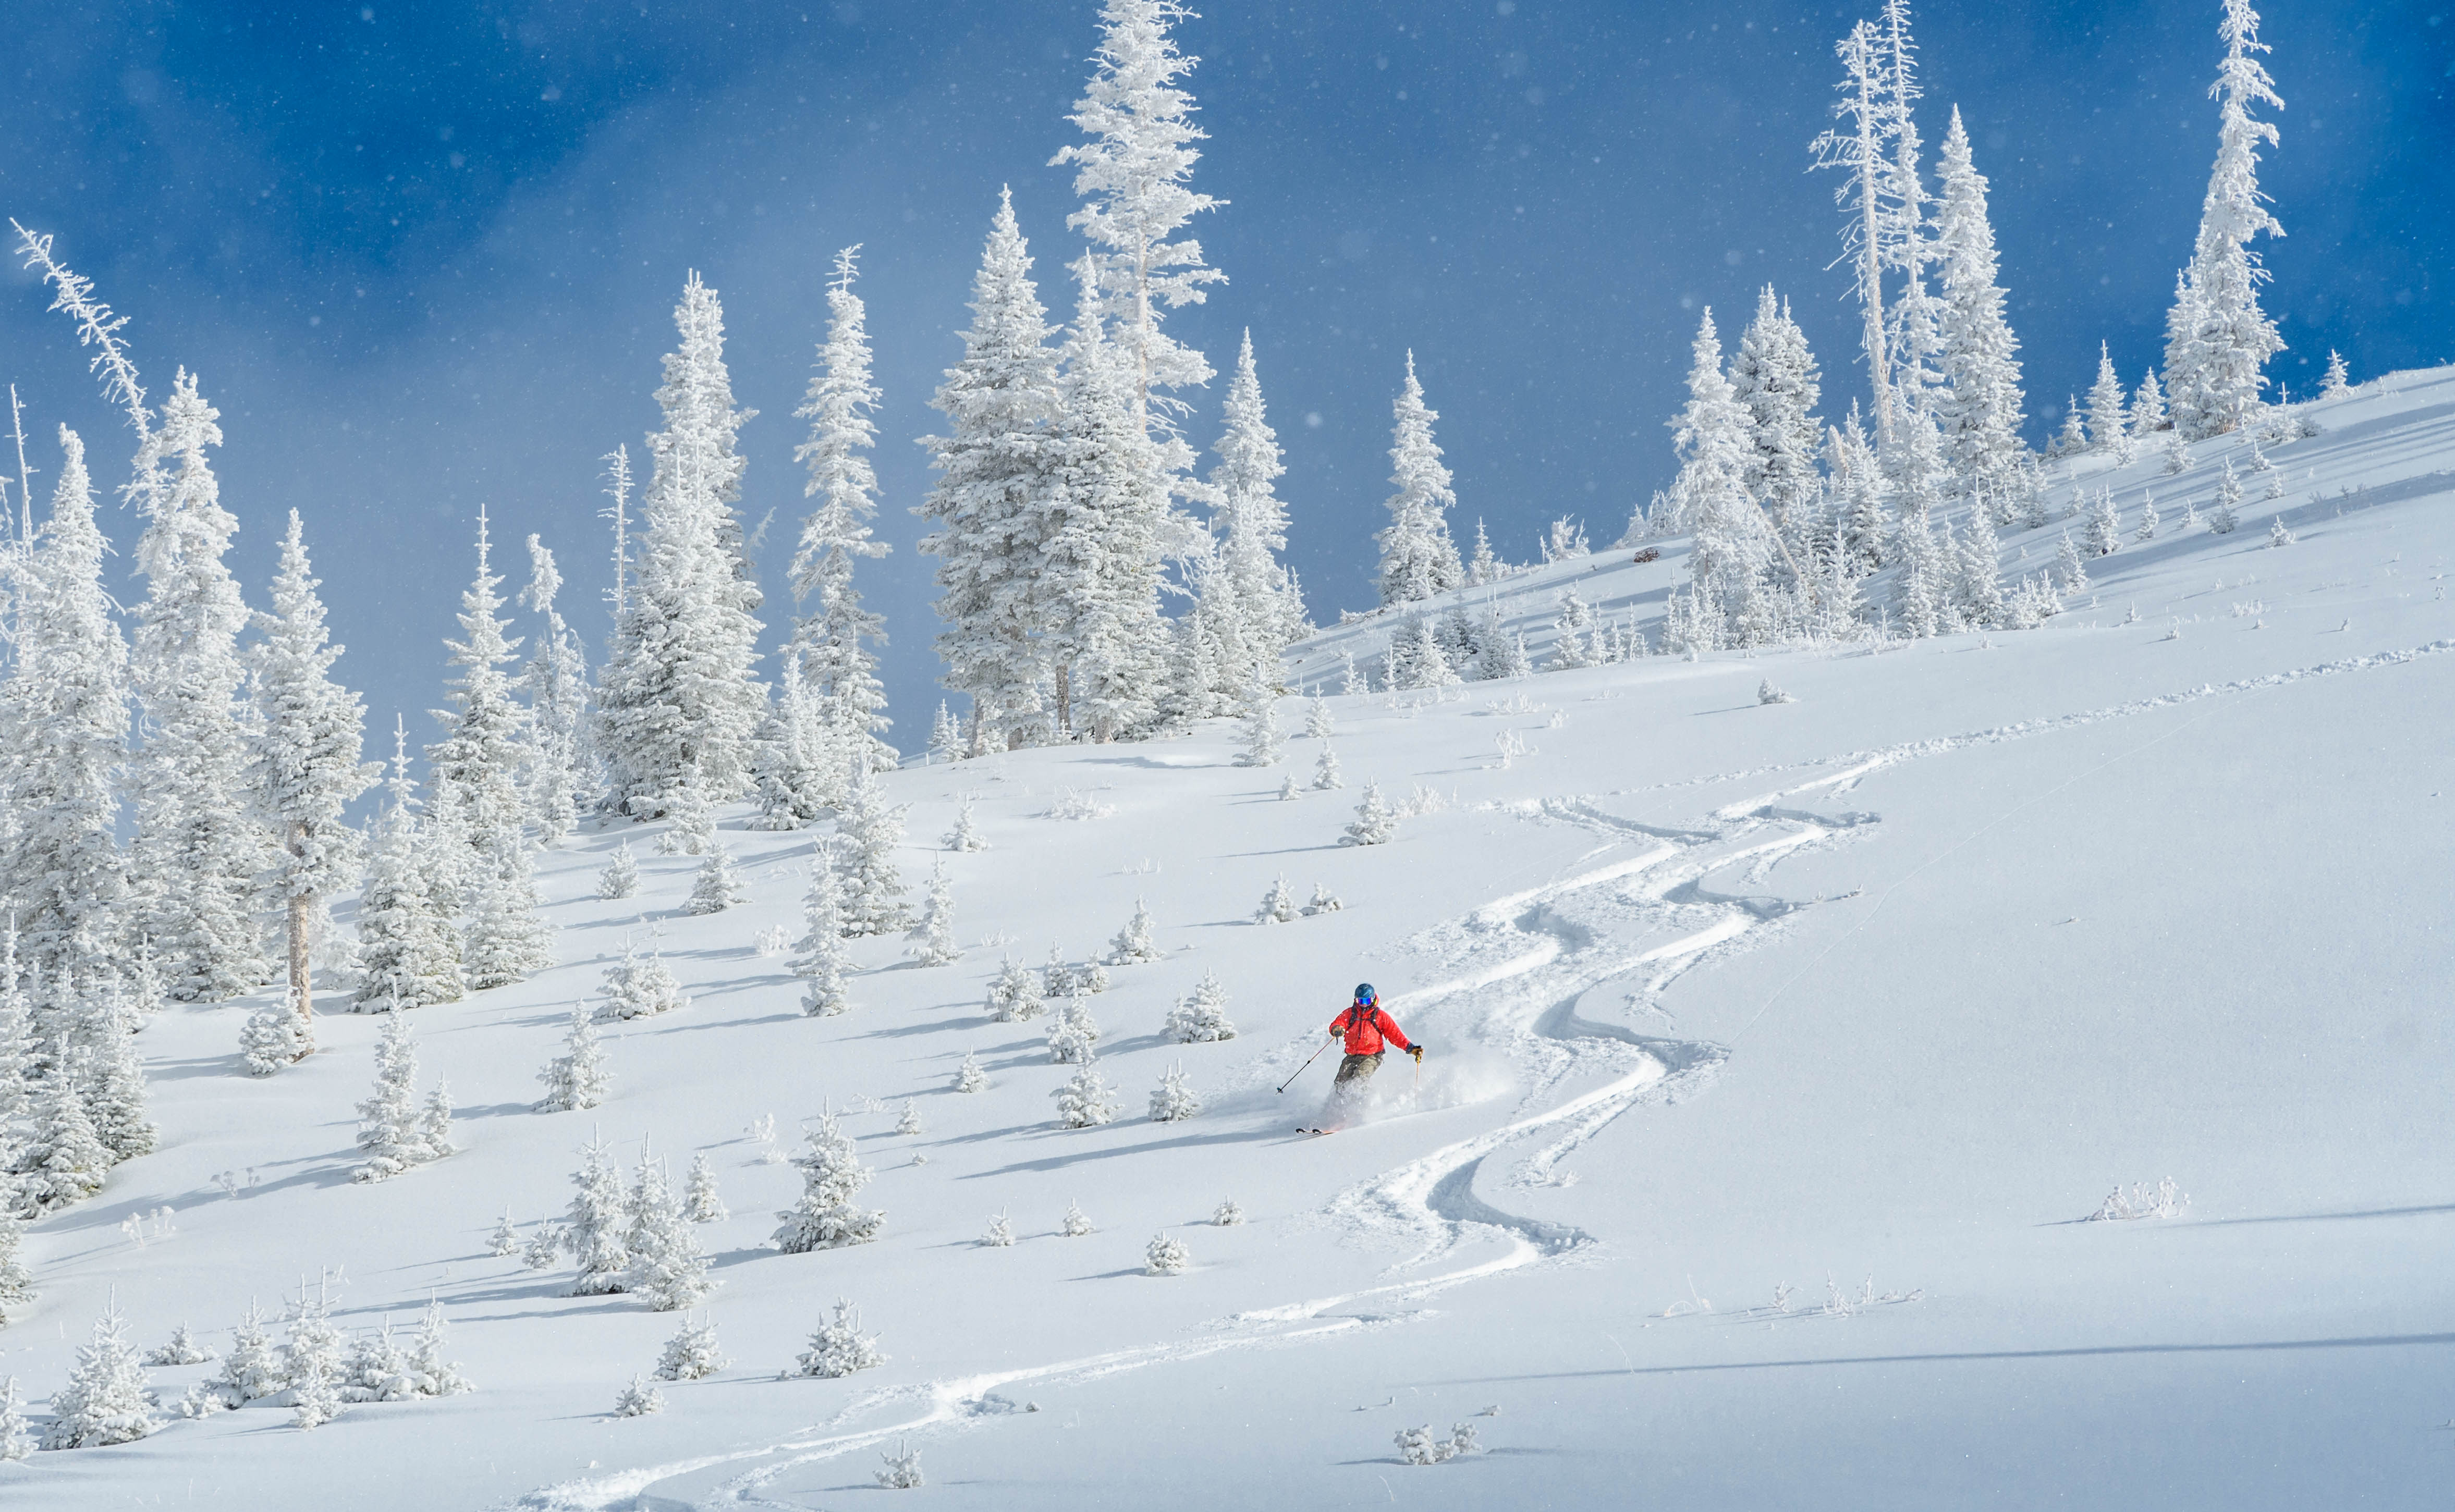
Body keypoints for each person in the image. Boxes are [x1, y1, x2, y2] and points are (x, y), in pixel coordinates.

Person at [1327, 984, 1420, 1096]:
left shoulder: (1380, 1016)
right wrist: (1337, 1029)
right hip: (1352, 1056)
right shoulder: (1350, 1014)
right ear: (1355, 1000)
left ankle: (1364, 1102)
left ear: (1373, 999)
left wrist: (1411, 1048)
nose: (1364, 1005)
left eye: (1367, 1001)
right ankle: (1335, 1107)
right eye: (1361, 1001)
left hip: (1372, 1056)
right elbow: (1338, 1023)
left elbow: (1395, 1034)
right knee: (1340, 1083)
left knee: (1359, 1079)